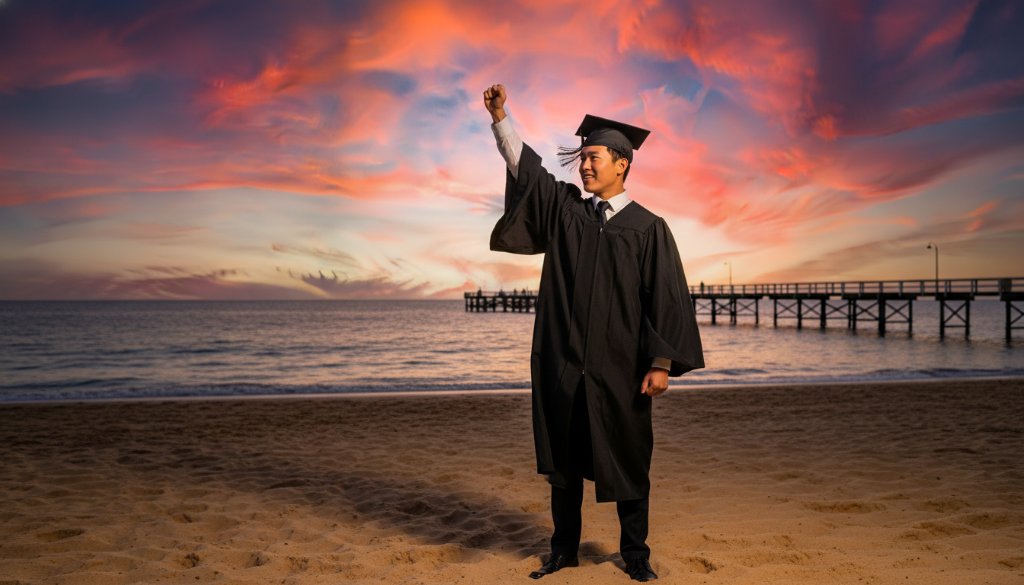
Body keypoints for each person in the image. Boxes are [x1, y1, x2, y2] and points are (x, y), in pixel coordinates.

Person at [483, 84, 704, 582]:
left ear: (622, 163)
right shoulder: (568, 213)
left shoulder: (648, 228)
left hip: (621, 369)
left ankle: (636, 554)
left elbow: (666, 298)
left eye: (594, 157)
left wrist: (661, 363)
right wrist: (501, 119)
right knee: (563, 461)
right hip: (565, 362)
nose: (584, 166)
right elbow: (527, 171)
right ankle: (562, 551)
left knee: (628, 457)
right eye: (582, 157)